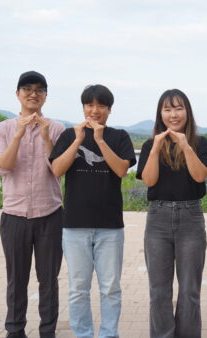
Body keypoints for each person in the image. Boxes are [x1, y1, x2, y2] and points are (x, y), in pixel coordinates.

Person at [49, 84, 136, 338]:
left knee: (110, 287)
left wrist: (98, 139)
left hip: (110, 226)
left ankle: (109, 334)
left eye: (101, 105)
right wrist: (78, 140)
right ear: (83, 107)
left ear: (109, 109)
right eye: (89, 105)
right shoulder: (68, 135)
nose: (94, 110)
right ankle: (83, 334)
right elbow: (56, 170)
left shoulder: (119, 136)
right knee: (78, 288)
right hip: (75, 225)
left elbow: (121, 169)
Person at [0, 71, 65, 338]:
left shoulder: (57, 129)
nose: (33, 94)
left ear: (46, 95)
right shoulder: (3, 129)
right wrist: (19, 134)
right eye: (27, 89)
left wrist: (46, 139)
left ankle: (48, 332)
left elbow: (57, 170)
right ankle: (15, 330)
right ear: (18, 94)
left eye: (39, 89)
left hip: (51, 214)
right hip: (14, 215)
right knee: (16, 279)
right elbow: (4, 167)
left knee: (48, 280)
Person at [136, 89, 207, 337]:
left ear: (187, 112)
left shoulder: (202, 144)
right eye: (167, 109)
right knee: (159, 291)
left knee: (190, 289)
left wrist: (184, 145)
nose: (173, 114)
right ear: (160, 114)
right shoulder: (151, 144)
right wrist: (156, 147)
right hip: (157, 218)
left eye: (178, 108)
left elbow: (200, 176)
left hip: (191, 216)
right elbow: (149, 180)